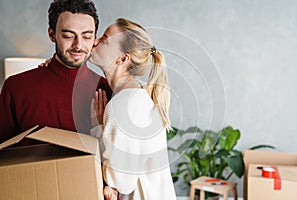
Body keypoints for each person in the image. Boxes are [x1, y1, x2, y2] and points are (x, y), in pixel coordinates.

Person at [0, 0, 111, 144]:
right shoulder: (16, 87)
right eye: (68, 36)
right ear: (52, 35)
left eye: (87, 36)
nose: (78, 45)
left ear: (95, 39)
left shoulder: (106, 90)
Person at [89, 18, 177, 200]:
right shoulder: (136, 95)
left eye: (104, 39)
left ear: (122, 58)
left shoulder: (124, 104)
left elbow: (122, 182)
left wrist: (98, 128)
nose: (95, 41)